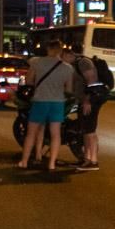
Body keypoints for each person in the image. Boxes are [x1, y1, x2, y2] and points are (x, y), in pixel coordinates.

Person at [17, 39, 73, 172]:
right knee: (55, 134)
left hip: (40, 101)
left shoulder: (37, 62)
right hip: (58, 102)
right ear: (60, 50)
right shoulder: (67, 68)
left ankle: (24, 161)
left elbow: (29, 80)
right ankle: (52, 163)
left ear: (48, 49)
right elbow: (69, 89)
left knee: (31, 133)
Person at [69, 52, 103, 171]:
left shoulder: (83, 63)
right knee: (85, 131)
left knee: (90, 131)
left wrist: (87, 100)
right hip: (83, 101)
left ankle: (93, 161)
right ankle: (86, 160)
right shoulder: (77, 63)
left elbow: (92, 81)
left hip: (90, 102)